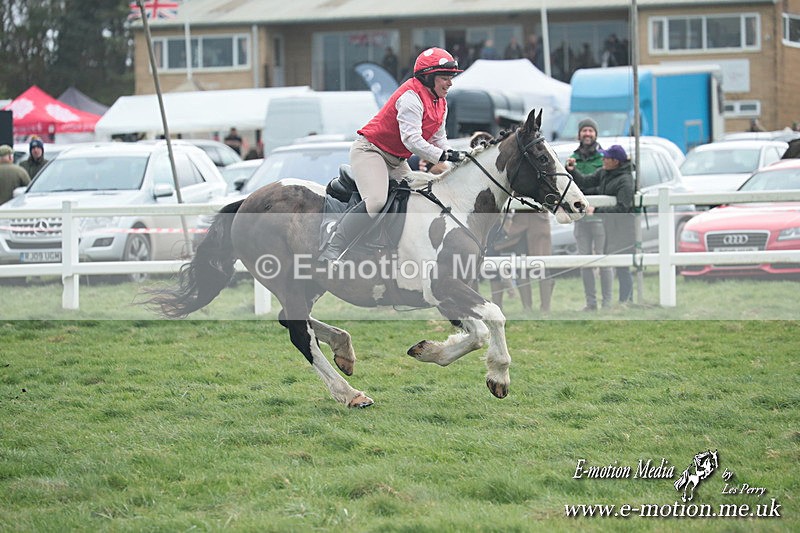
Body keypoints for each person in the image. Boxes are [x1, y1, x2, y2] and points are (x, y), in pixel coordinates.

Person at [319, 47, 466, 263]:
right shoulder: (410, 98)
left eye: (451, 77)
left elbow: (439, 140)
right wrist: (445, 156)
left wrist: (457, 161)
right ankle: (334, 246)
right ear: (428, 77)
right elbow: (412, 141)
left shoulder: (440, 103)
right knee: (377, 201)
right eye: (445, 77)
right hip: (371, 151)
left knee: (420, 199)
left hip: (396, 159)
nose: (450, 83)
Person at [566, 144, 635, 305]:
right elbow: (585, 181)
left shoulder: (625, 180)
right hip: (609, 224)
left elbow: (623, 208)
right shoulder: (605, 172)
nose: (603, 159)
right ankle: (623, 302)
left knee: (622, 266)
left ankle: (626, 301)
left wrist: (596, 210)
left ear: (615, 161)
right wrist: (572, 170)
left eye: (606, 158)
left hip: (622, 227)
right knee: (614, 262)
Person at [567, 118, 612, 311]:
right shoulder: (572, 158)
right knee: (584, 261)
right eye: (584, 130)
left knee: (603, 260)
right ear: (579, 134)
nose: (587, 134)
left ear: (596, 134)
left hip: (600, 217)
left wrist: (583, 184)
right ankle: (591, 303)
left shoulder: (604, 158)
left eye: (590, 131)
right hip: (580, 218)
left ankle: (607, 302)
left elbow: (598, 184)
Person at [489, 211, 555, 314]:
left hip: (539, 223)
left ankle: (545, 309)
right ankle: (527, 308)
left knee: (543, 268)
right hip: (519, 225)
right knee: (522, 269)